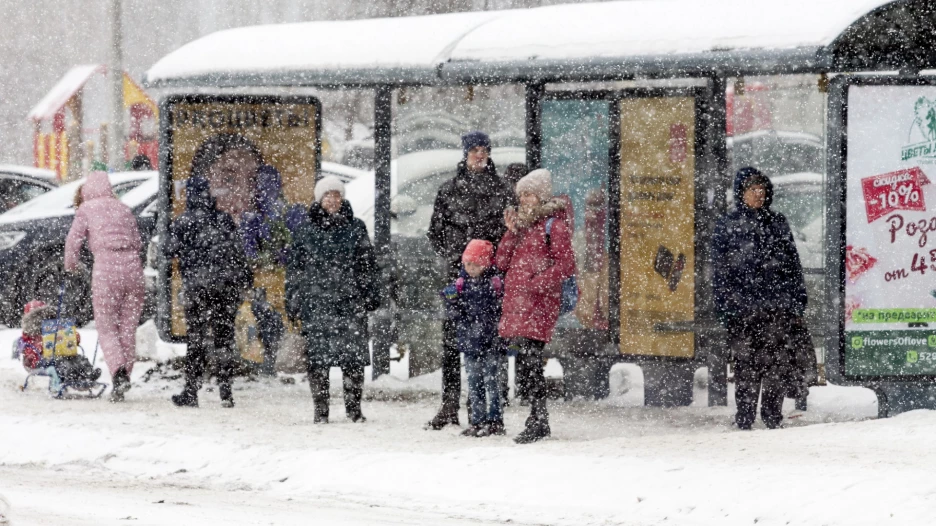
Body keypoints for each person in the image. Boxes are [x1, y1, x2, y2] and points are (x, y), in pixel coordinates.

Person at [425, 131, 511, 430]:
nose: (479, 154)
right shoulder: (448, 190)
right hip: (458, 277)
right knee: (452, 340)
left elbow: (509, 234)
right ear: (465, 153)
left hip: (491, 281)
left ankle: (492, 409)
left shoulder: (502, 190)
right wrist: (456, 257)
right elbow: (435, 231)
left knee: (492, 344)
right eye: (474, 149)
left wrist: (494, 263)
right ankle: (451, 402)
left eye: (483, 149)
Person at [711, 167, 808, 430]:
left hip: (777, 309)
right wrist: (725, 305)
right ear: (741, 193)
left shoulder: (777, 223)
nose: (758, 194)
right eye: (752, 190)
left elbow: (792, 265)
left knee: (776, 366)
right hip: (743, 311)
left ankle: (772, 417)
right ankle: (744, 416)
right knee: (746, 366)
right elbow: (719, 271)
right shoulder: (727, 225)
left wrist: (797, 301)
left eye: (762, 189)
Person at [286, 176, 381, 424]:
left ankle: (353, 409)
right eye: (328, 195)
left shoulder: (355, 227)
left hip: (349, 303)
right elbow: (295, 269)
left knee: (353, 360)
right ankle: (321, 410)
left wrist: (371, 293)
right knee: (318, 361)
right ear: (319, 199)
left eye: (337, 195)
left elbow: (367, 265)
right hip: (316, 304)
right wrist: (293, 299)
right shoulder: (305, 231)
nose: (333, 200)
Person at [496, 169, 576, 443]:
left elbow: (566, 265)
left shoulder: (554, 226)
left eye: (529, 194)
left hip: (539, 303)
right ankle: (537, 417)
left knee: (531, 361)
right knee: (527, 362)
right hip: (519, 303)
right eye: (521, 195)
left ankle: (538, 418)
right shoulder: (524, 225)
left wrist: (535, 283)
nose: (525, 200)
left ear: (541, 195)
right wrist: (510, 233)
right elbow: (502, 262)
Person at [167, 176, 252, 408]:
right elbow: (238, 251)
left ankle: (191, 391)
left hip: (197, 289)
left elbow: (168, 251)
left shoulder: (183, 221)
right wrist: (244, 279)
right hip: (225, 288)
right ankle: (226, 392)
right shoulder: (223, 219)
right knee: (224, 338)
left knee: (196, 340)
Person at [64, 171, 145, 402]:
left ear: (87, 191)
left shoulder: (86, 209)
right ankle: (124, 375)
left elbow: (73, 240)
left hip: (106, 270)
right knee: (127, 327)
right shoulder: (124, 208)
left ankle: (118, 371)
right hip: (133, 270)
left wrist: (70, 265)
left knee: (107, 326)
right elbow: (138, 242)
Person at [441, 240, 505, 437]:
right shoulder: (460, 285)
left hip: (490, 342)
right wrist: (451, 301)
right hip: (470, 342)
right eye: (468, 264)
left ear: (486, 263)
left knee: (492, 384)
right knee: (475, 383)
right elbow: (455, 314)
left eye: (476, 264)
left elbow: (500, 310)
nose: (471, 268)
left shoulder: (495, 283)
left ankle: (494, 421)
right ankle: (477, 421)